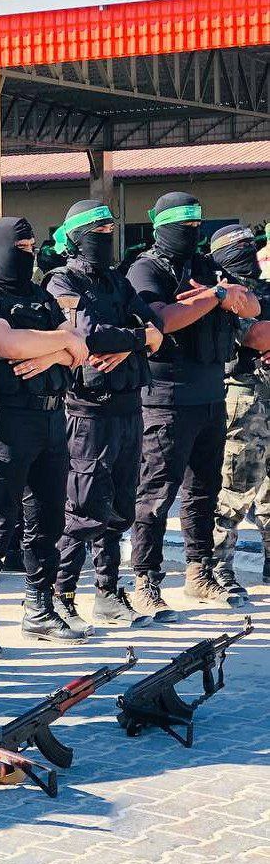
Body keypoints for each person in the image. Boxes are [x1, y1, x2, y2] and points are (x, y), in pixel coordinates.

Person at [0, 216, 90, 655]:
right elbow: (6, 344)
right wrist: (59, 344)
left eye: (33, 246)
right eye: (21, 247)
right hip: (2, 422)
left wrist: (52, 351)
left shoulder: (40, 295)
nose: (28, 254)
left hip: (51, 420)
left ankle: (39, 608)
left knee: (48, 522)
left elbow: (80, 348)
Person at [126, 193, 260, 617]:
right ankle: (145, 580)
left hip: (210, 395)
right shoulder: (145, 269)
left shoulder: (205, 267)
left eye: (196, 224)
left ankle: (199, 573)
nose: (191, 231)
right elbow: (163, 319)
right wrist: (216, 296)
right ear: (161, 226)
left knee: (203, 491)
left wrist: (220, 294)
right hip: (166, 398)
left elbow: (251, 305)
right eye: (183, 225)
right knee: (156, 494)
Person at [46, 201, 164, 630]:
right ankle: (60, 595)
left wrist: (132, 341)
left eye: (110, 229)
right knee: (82, 506)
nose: (106, 237)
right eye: (98, 231)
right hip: (87, 409)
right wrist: (138, 338)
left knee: (120, 506)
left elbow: (156, 327)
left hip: (129, 405)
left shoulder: (117, 279)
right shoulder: (62, 280)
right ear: (77, 238)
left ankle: (108, 593)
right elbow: (88, 334)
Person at [208, 224, 270, 595]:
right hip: (242, 397)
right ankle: (218, 569)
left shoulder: (262, 290)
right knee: (235, 487)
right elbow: (256, 335)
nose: (249, 254)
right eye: (240, 248)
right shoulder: (224, 293)